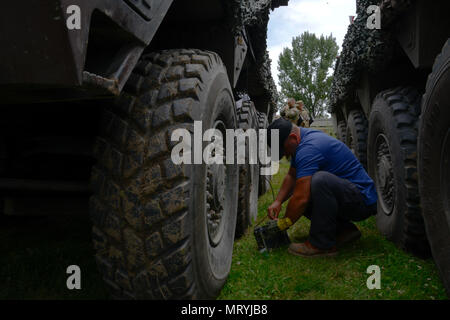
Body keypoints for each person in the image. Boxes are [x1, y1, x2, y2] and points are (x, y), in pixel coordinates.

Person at [266, 118, 377, 257]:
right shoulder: (302, 140)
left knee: (319, 181)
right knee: (308, 188)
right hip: (348, 195)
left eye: (284, 150)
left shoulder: (309, 148)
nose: (286, 155)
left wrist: (283, 224)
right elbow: (292, 176)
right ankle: (345, 230)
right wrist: (278, 201)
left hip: (362, 200)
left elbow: (301, 199)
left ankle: (321, 245)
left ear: (293, 138)